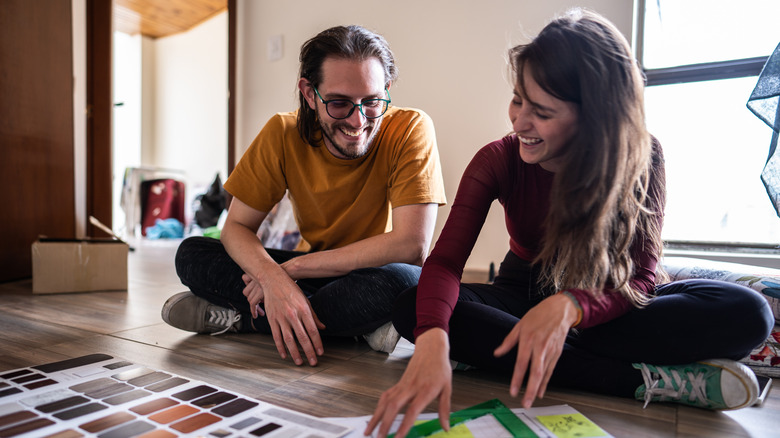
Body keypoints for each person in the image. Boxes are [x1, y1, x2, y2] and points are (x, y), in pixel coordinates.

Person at [366, 9, 775, 438]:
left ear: (594, 117)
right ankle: (645, 380)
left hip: (609, 303)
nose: (519, 122)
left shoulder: (643, 154)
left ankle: (529, 353)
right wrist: (432, 336)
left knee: (749, 312)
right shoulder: (497, 159)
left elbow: (638, 279)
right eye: (517, 99)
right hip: (522, 292)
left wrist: (572, 308)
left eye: (541, 111)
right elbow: (447, 262)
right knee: (413, 308)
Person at [161, 25, 446, 368]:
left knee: (405, 283)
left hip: (373, 271)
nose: (358, 121)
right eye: (339, 103)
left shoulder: (411, 127)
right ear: (310, 94)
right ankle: (355, 327)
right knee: (192, 253)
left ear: (386, 91)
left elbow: (412, 245)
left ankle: (246, 320)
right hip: (318, 276)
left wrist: (288, 272)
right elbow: (236, 226)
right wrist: (273, 277)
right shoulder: (282, 132)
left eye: (371, 102)